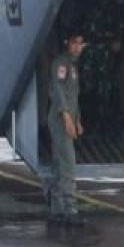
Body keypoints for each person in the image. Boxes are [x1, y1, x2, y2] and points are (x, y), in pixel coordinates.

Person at [46, 34, 86, 226]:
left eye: (81, 44)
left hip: (68, 118)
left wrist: (77, 119)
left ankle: (56, 207)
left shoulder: (72, 66)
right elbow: (59, 93)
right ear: (67, 44)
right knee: (68, 163)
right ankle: (70, 208)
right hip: (60, 120)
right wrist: (67, 118)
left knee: (58, 162)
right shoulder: (61, 65)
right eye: (74, 43)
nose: (78, 47)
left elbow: (73, 97)